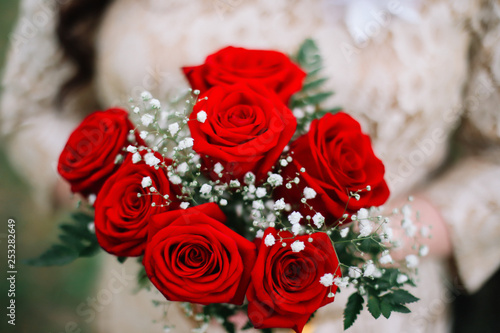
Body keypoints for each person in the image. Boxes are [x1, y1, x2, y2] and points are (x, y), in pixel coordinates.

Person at [2, 0, 500, 332]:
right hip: (158, 302)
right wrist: (138, 212)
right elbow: (26, 110)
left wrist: (364, 247)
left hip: (371, 311)